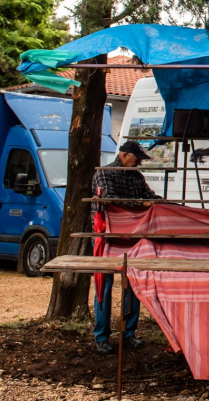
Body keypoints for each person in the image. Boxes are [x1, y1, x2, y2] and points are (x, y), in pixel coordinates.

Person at [90, 140, 161, 355]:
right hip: (107, 236)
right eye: (136, 158)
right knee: (104, 285)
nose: (138, 162)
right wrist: (140, 204)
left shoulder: (136, 176)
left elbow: (149, 195)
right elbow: (111, 199)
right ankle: (102, 336)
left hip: (132, 237)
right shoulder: (104, 173)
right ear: (123, 155)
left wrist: (163, 203)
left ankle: (128, 333)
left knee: (133, 284)